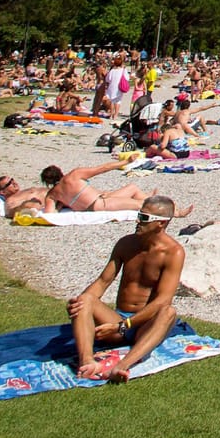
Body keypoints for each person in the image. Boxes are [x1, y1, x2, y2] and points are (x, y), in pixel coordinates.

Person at [68, 195, 185, 382]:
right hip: (117, 318)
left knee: (168, 312)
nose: (138, 221)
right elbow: (103, 281)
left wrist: (125, 325)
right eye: (138, 215)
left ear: (161, 224)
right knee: (85, 299)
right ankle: (87, 362)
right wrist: (81, 305)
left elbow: (163, 300)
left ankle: (121, 366)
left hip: (142, 325)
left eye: (145, 218)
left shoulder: (173, 252)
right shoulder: (126, 244)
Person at [44, 159, 181, 214]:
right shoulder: (74, 175)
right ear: (60, 171)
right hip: (98, 204)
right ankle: (174, 212)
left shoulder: (52, 194)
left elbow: (50, 213)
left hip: (101, 199)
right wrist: (126, 161)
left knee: (132, 187)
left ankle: (151, 197)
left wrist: (62, 205)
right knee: (140, 204)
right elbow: (103, 168)